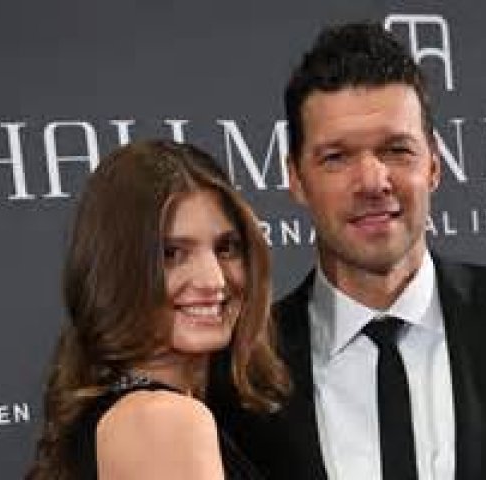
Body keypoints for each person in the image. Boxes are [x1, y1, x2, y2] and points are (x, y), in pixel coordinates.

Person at [210, 22, 486, 480]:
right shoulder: (244, 366)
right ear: (295, 178)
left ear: (434, 165)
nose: (372, 181)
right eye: (336, 157)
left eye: (396, 150)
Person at [26, 140, 289, 480]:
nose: (214, 280)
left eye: (226, 248)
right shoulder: (162, 420)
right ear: (115, 271)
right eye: (172, 254)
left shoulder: (123, 412)